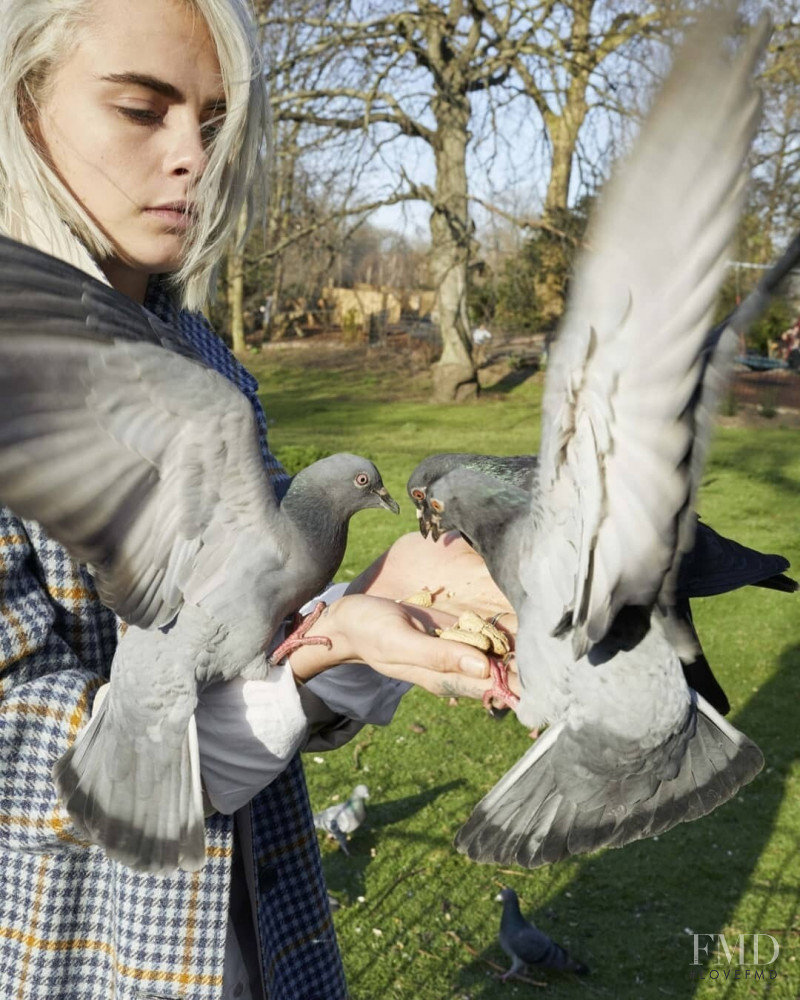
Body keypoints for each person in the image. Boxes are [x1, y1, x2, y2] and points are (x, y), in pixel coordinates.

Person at [0, 1, 516, 998]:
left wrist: (381, 598)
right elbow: (17, 767)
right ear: (24, 111)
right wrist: (314, 655)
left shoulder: (203, 360)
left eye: (215, 119)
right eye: (143, 110)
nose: (193, 155)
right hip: (83, 969)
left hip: (265, 956)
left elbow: (259, 606)